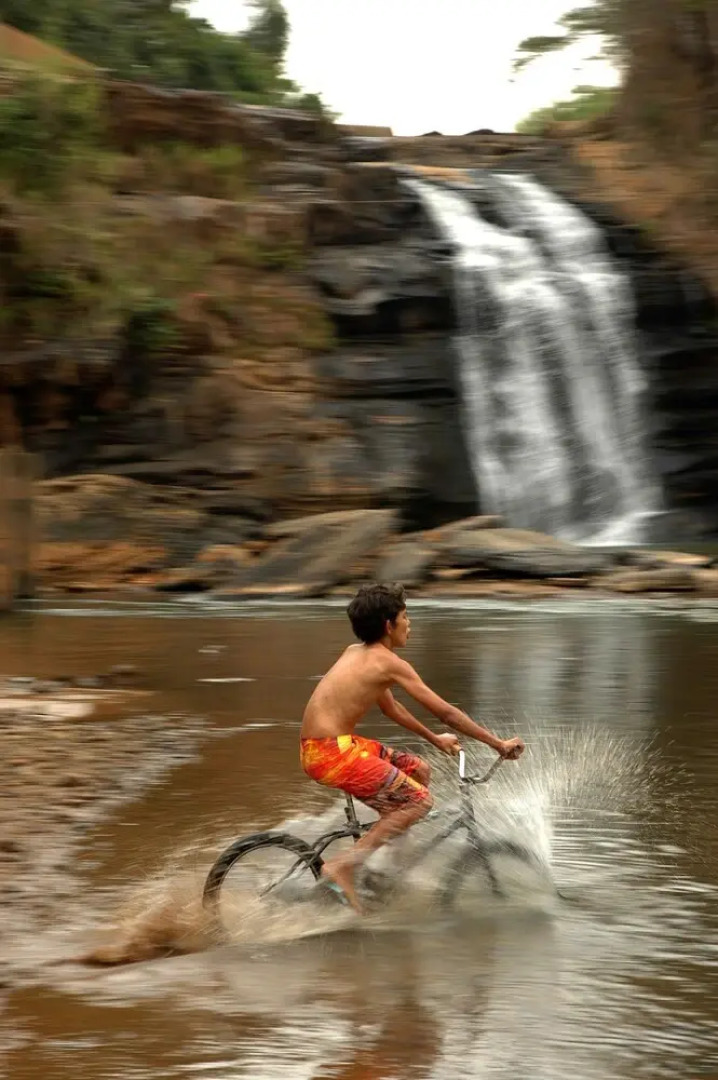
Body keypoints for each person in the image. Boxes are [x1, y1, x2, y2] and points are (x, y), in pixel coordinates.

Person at [300, 582, 525, 912]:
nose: (410, 623)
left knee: (419, 770)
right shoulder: (388, 663)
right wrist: (497, 744)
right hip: (332, 754)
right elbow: (446, 712)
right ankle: (344, 866)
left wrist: (434, 740)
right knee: (419, 803)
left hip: (334, 746)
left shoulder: (358, 653)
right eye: (406, 616)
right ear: (389, 625)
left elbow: (391, 708)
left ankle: (386, 867)